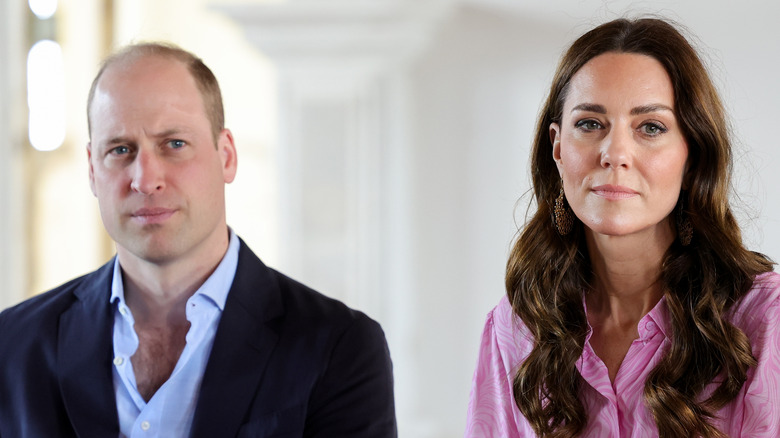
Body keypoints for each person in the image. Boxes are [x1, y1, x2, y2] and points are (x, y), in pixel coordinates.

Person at [0, 43, 397, 438]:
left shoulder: (339, 348)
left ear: (226, 156)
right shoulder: (12, 346)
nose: (145, 179)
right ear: (91, 170)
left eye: (174, 144)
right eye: (120, 150)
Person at [465, 17, 779, 437]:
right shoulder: (516, 328)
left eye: (650, 127)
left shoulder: (765, 323)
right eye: (590, 124)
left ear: (693, 154)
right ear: (557, 147)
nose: (615, 153)